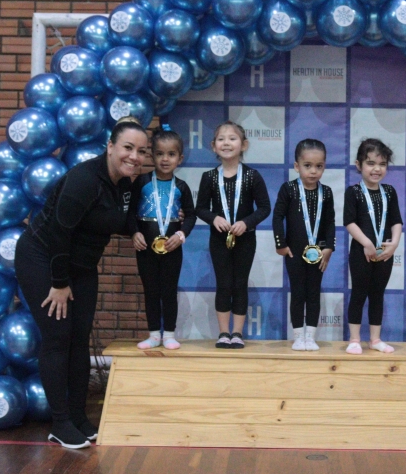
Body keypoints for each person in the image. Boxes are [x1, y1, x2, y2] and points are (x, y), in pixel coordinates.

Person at [15, 118, 150, 449]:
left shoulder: (127, 183)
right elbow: (59, 233)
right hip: (44, 258)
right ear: (110, 147)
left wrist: (143, 228)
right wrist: (59, 283)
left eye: (141, 151)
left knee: (79, 338)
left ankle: (78, 416)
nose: (134, 157)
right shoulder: (84, 179)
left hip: (83, 266)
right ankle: (60, 423)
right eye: (128, 148)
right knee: (58, 336)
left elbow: (117, 220)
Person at [195, 122, 271, 349]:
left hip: (245, 239)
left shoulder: (252, 176)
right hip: (219, 239)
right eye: (221, 139)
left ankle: (237, 333)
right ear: (213, 146)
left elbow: (264, 208)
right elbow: (200, 208)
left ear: (243, 145)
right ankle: (223, 333)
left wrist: (246, 223)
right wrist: (214, 218)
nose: (226, 143)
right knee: (223, 283)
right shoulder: (209, 177)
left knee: (239, 283)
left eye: (232, 138)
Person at [130, 126, 196, 351]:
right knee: (150, 290)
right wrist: (135, 232)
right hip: (145, 248)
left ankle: (168, 334)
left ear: (180, 158)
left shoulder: (182, 187)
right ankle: (153, 335)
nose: (165, 159)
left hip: (172, 247)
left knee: (169, 290)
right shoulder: (142, 182)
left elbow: (191, 215)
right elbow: (130, 213)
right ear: (151, 156)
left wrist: (181, 234)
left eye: (171, 154)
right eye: (159, 154)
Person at [273, 139, 335, 351]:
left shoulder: (326, 192)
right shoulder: (288, 189)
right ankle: (298, 336)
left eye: (319, 166)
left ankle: (311, 336)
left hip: (318, 254)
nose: (313, 171)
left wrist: (329, 248)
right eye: (307, 165)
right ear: (296, 166)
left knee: (313, 293)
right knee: (298, 293)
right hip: (293, 252)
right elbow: (277, 217)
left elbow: (330, 222)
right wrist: (281, 244)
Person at [343, 138, 404, 354]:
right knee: (359, 293)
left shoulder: (389, 192)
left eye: (382, 164)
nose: (377, 169)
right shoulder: (353, 192)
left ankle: (375, 339)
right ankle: (354, 339)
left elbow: (396, 221)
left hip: (384, 253)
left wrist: (394, 244)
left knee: (378, 294)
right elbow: (349, 222)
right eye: (370, 163)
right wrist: (367, 243)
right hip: (361, 252)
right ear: (358, 165)